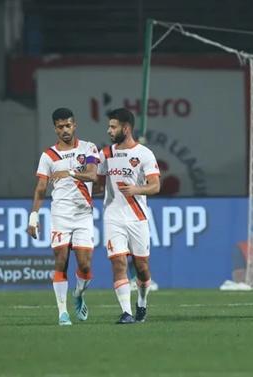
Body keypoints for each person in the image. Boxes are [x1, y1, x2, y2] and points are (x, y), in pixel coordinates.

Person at [27, 108, 99, 326]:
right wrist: (33, 215)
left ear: (74, 125)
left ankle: (78, 295)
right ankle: (62, 313)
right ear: (55, 128)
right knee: (60, 261)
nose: (65, 130)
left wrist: (69, 173)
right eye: (60, 127)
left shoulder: (88, 148)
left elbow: (93, 175)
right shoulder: (48, 156)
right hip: (60, 215)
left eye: (68, 125)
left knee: (85, 266)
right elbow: (41, 188)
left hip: (83, 214)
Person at [97, 108, 161, 324]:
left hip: (137, 218)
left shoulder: (144, 154)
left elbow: (155, 186)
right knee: (118, 262)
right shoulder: (105, 154)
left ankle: (141, 302)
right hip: (112, 216)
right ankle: (126, 312)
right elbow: (98, 184)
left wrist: (136, 190)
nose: (109, 130)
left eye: (113, 126)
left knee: (142, 268)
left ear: (126, 128)